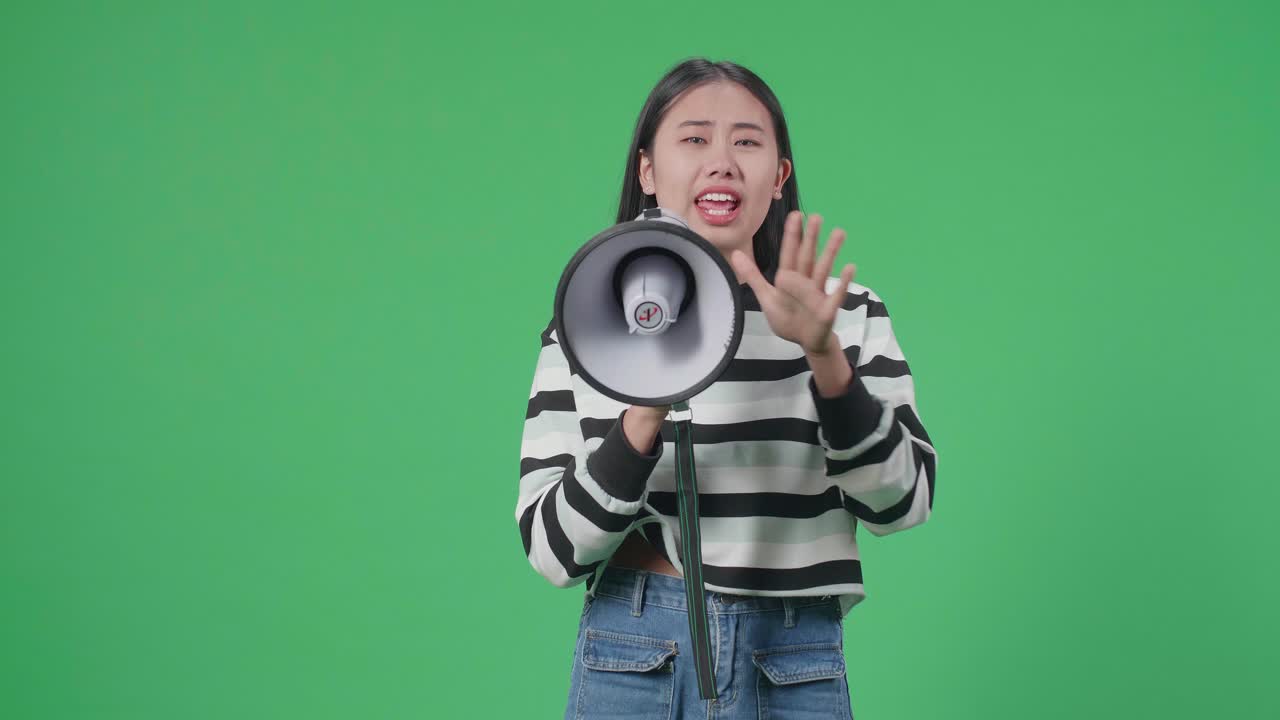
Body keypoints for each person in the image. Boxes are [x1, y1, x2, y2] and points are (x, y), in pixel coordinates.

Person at [515, 58, 939, 719]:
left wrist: (823, 355)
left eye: (747, 141)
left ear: (779, 177)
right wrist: (647, 393)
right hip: (634, 651)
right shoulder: (590, 324)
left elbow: (903, 503)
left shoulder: (845, 314)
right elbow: (554, 551)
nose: (721, 161)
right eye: (693, 139)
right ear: (647, 171)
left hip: (792, 660)